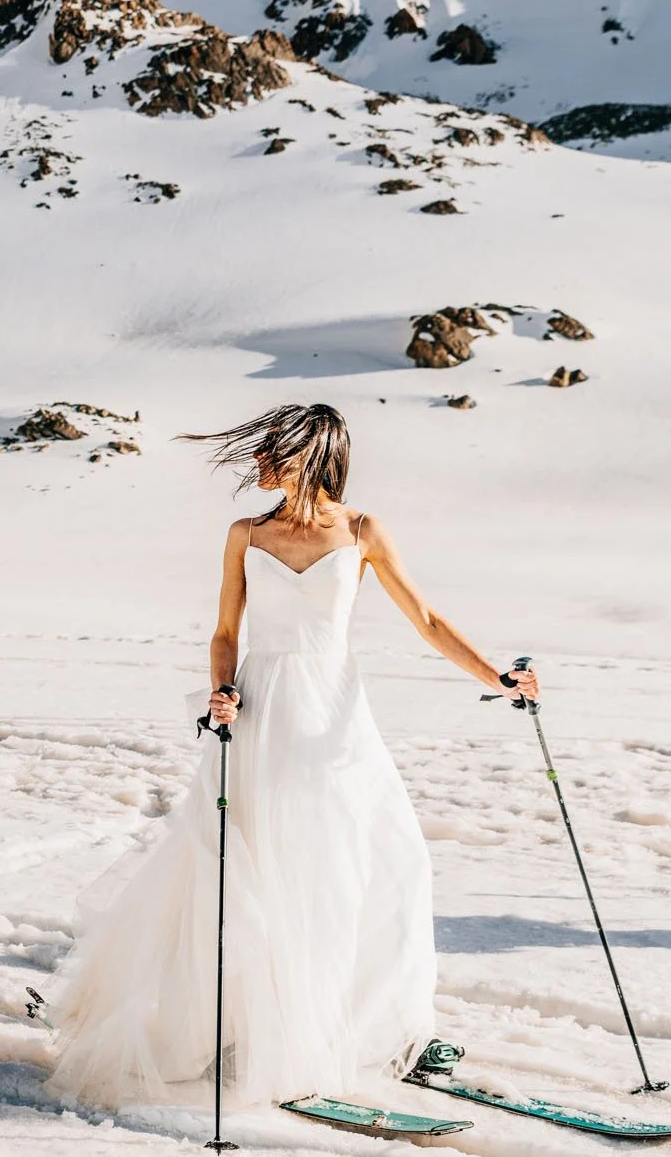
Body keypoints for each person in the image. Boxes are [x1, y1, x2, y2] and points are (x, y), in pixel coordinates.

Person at [47, 403, 539, 1108]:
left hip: (337, 721)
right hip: (262, 712)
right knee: (269, 872)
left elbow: (426, 620)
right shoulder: (246, 534)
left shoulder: (362, 531)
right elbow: (225, 632)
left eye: (270, 451)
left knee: (390, 861)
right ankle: (268, 1031)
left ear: (308, 454)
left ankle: (389, 1029)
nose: (258, 463)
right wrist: (221, 689)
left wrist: (497, 677)